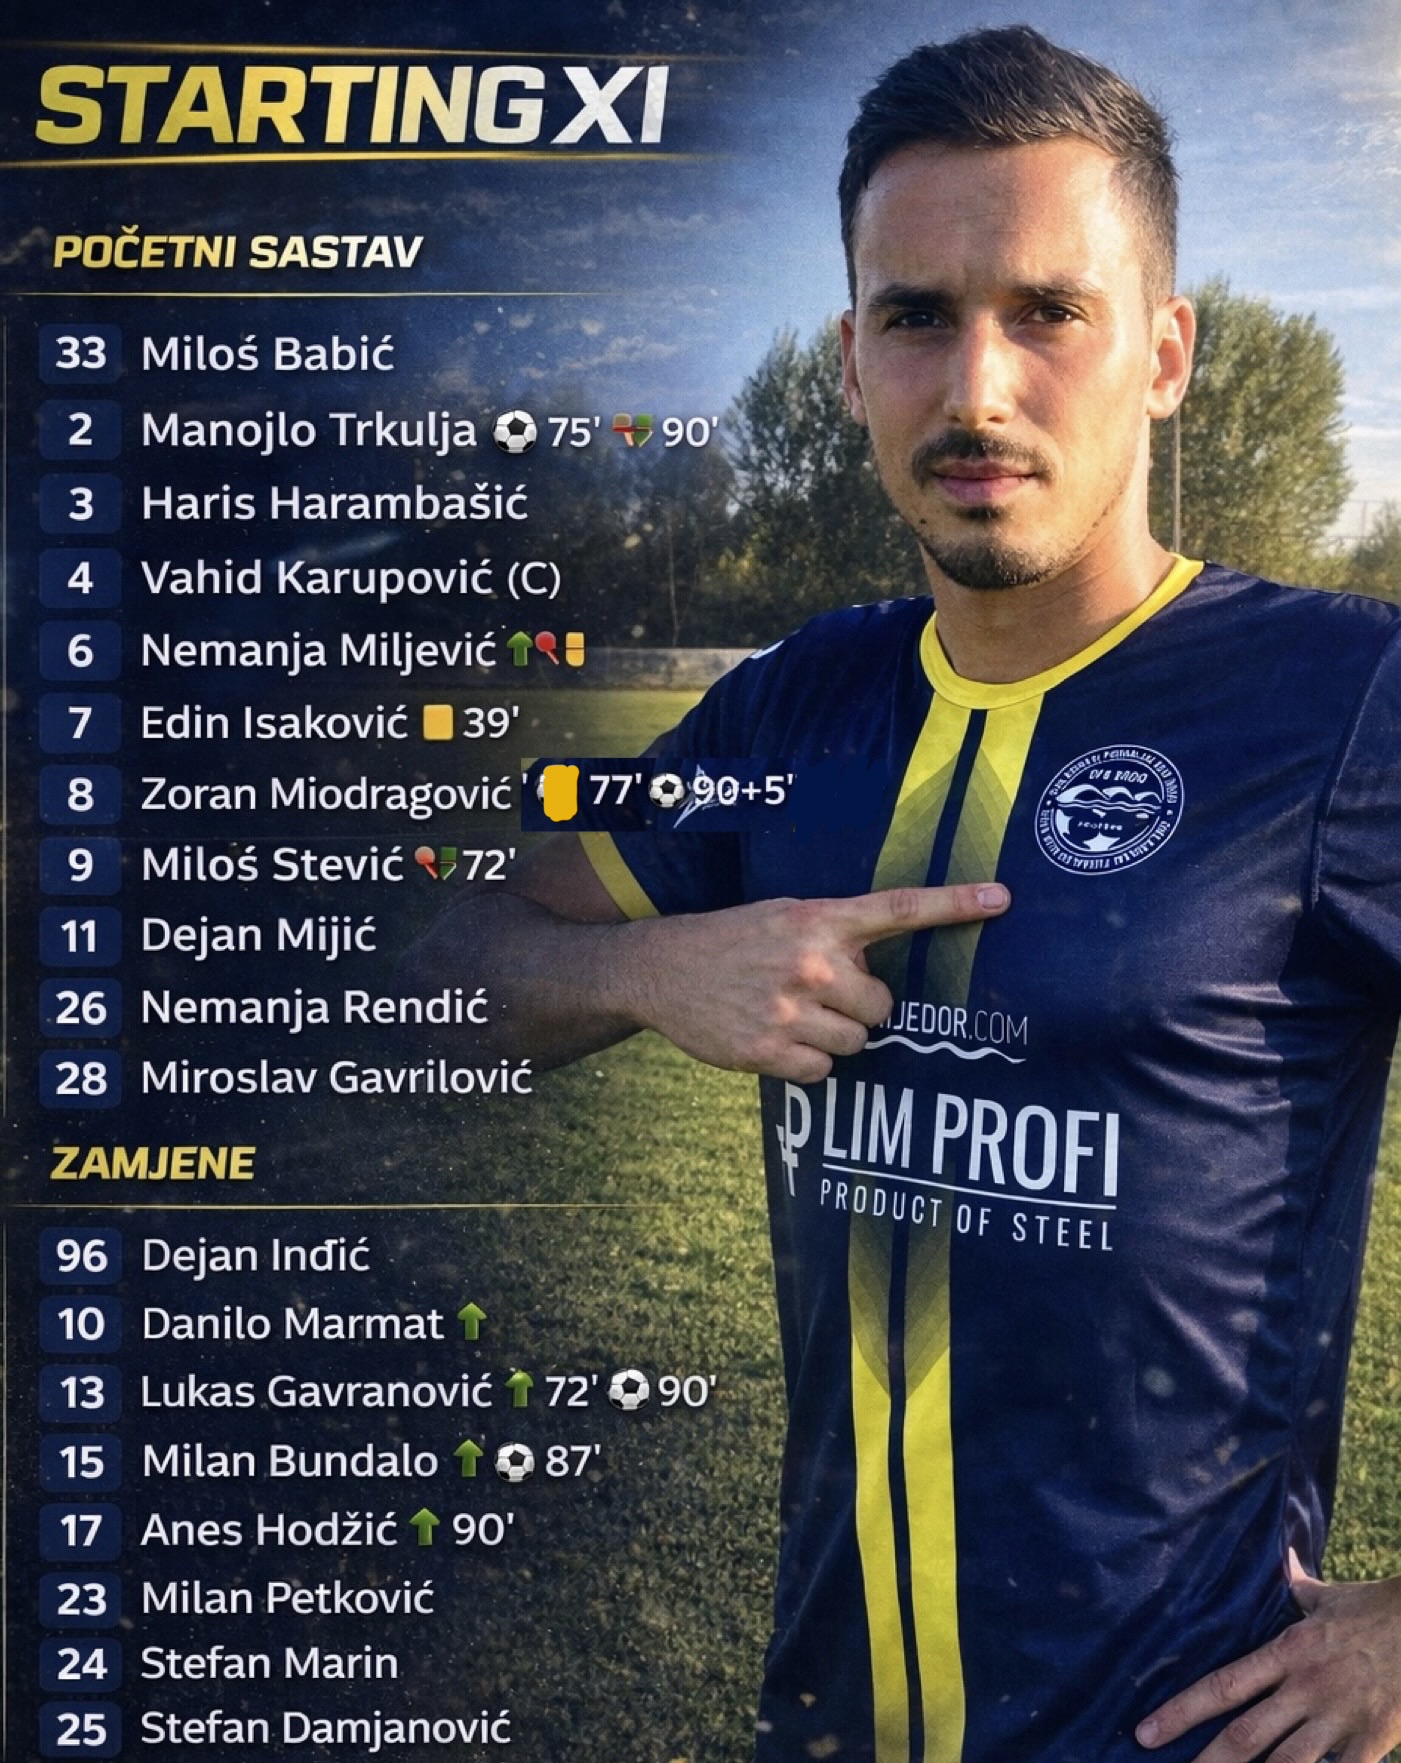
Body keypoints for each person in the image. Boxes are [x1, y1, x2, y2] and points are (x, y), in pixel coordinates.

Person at [406, 26, 1401, 1763]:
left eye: (1048, 311)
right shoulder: (796, 703)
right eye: (917, 316)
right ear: (852, 356)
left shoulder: (1340, 704)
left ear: (1165, 354)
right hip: (831, 1718)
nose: (977, 389)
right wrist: (651, 968)